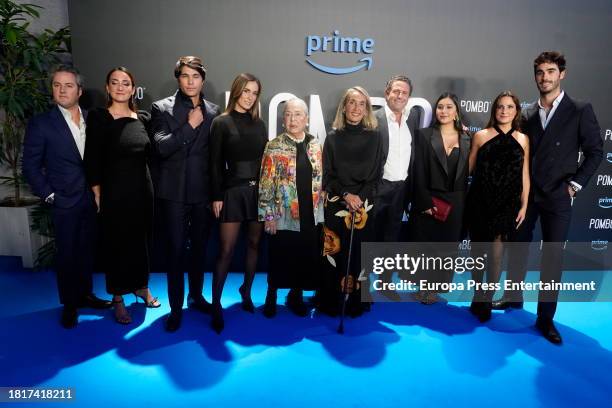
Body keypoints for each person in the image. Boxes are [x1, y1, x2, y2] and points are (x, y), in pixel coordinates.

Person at [495, 52, 603, 344]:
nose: (545, 77)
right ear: (535, 76)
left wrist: (575, 186)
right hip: (526, 195)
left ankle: (545, 320)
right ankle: (513, 297)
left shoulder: (580, 109)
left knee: (552, 257)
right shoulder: (527, 112)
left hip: (558, 196)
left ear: (562, 74)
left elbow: (596, 152)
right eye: (540, 72)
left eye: (551, 71)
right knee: (517, 247)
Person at [22, 65, 111, 329]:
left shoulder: (91, 118)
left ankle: (85, 295)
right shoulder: (42, 123)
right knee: (67, 255)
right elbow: (30, 166)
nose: (62, 90)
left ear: (79, 91)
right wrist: (50, 195)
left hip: (91, 199)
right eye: (57, 85)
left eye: (68, 85)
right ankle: (70, 305)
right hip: (64, 201)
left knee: (86, 252)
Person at [84, 67, 160, 324]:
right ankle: (118, 297)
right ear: (107, 87)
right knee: (116, 244)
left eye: (125, 83)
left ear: (132, 88)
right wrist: (97, 193)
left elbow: (150, 156)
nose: (120, 87)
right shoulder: (99, 118)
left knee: (141, 241)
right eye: (114, 82)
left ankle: (141, 287)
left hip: (142, 190)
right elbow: (92, 158)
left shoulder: (144, 118)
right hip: (114, 192)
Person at [151, 56, 220, 332]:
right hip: (174, 194)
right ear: (178, 78)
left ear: (202, 79)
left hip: (203, 194)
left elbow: (216, 158)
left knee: (200, 251)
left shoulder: (215, 111)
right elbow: (161, 148)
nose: (191, 81)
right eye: (185, 76)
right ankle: (176, 309)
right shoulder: (161, 108)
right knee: (176, 253)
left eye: (196, 76)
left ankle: (196, 296)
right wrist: (189, 126)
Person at [209, 73, 268, 333]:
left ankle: (246, 292)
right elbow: (213, 165)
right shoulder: (220, 123)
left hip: (258, 193)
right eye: (246, 91)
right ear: (236, 91)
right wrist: (216, 195)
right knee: (226, 250)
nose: (250, 97)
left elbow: (266, 163)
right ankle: (216, 304)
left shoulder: (260, 124)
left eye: (254, 93)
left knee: (255, 244)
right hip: (232, 192)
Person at [319, 86, 383, 317]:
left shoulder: (375, 136)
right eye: (352, 103)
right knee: (334, 255)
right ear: (344, 107)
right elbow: (328, 175)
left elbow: (376, 174)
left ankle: (357, 301)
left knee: (359, 255)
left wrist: (359, 198)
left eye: (361, 103)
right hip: (338, 203)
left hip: (364, 206)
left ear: (366, 108)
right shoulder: (333, 137)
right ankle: (330, 301)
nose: (356, 108)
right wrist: (346, 195)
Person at [466, 91, 530, 322]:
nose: (504, 111)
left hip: (507, 204)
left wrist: (523, 205)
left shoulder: (523, 139)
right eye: (500, 107)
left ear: (516, 111)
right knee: (477, 253)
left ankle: (488, 297)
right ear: (494, 110)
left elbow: (524, 175)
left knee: (495, 255)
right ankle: (477, 295)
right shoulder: (481, 136)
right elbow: (469, 170)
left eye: (509, 107)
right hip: (480, 201)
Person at [258, 98, 324, 318]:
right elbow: (266, 183)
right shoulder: (274, 145)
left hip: (309, 212)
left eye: (298, 114)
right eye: (288, 114)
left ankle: (295, 296)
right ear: (283, 119)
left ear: (306, 119)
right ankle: (271, 295)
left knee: (303, 256)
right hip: (283, 213)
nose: (293, 119)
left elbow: (321, 179)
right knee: (279, 255)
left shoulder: (315, 144)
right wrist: (268, 215)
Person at [408, 92, 471, 304]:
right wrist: (423, 201)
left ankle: (435, 289)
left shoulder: (467, 138)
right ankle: (423, 286)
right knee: (426, 247)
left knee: (446, 249)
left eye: (449, 107)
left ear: (456, 112)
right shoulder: (424, 135)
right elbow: (417, 170)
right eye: (440, 107)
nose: (443, 111)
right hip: (429, 198)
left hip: (456, 202)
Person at [374, 75, 423, 242]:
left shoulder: (413, 118)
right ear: (387, 93)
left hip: (402, 189)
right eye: (396, 91)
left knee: (392, 235)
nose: (400, 96)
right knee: (371, 235)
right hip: (378, 188)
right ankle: (364, 268)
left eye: (404, 93)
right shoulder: (373, 119)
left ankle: (385, 268)